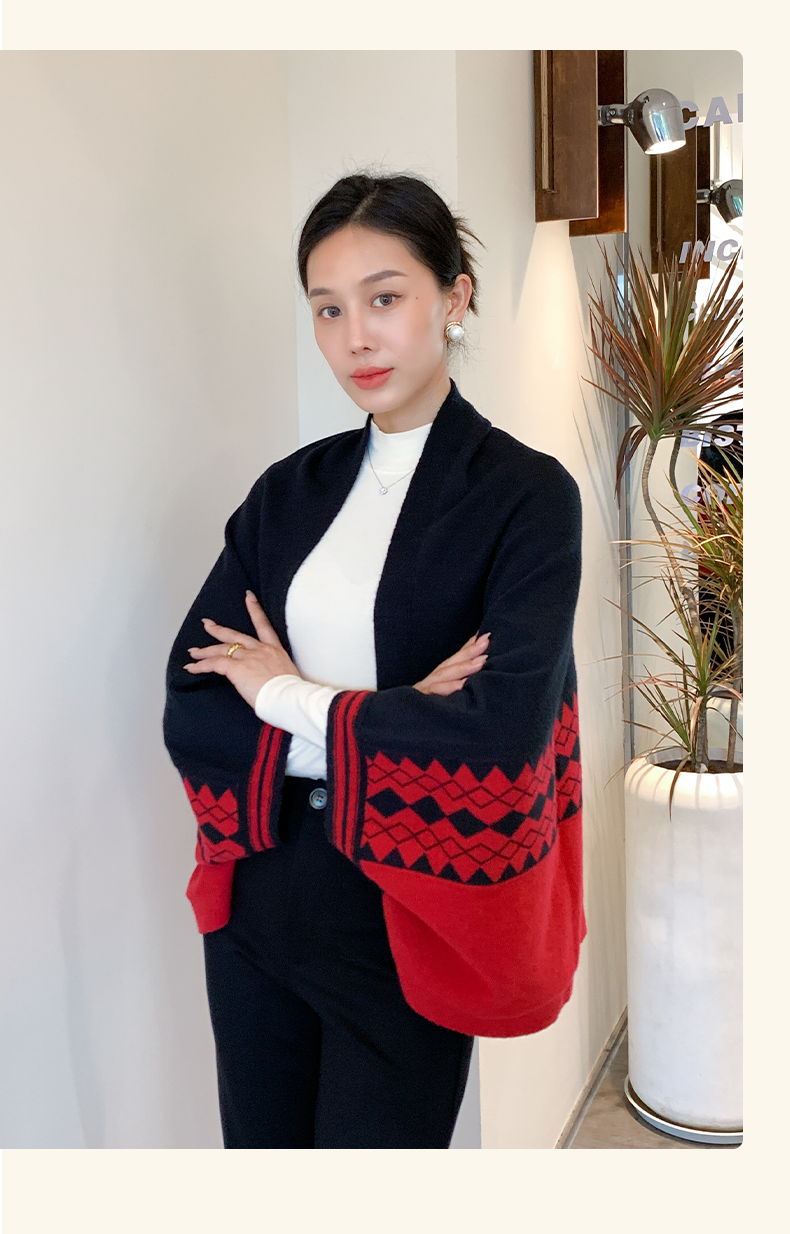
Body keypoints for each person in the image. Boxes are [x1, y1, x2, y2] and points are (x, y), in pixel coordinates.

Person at [163, 172, 585, 1149]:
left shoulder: (525, 498)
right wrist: (393, 710)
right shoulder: (287, 493)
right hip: (261, 902)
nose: (356, 336)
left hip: (410, 915)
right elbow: (195, 696)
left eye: (384, 298)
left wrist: (287, 693)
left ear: (454, 295)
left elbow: (499, 737)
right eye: (328, 309)